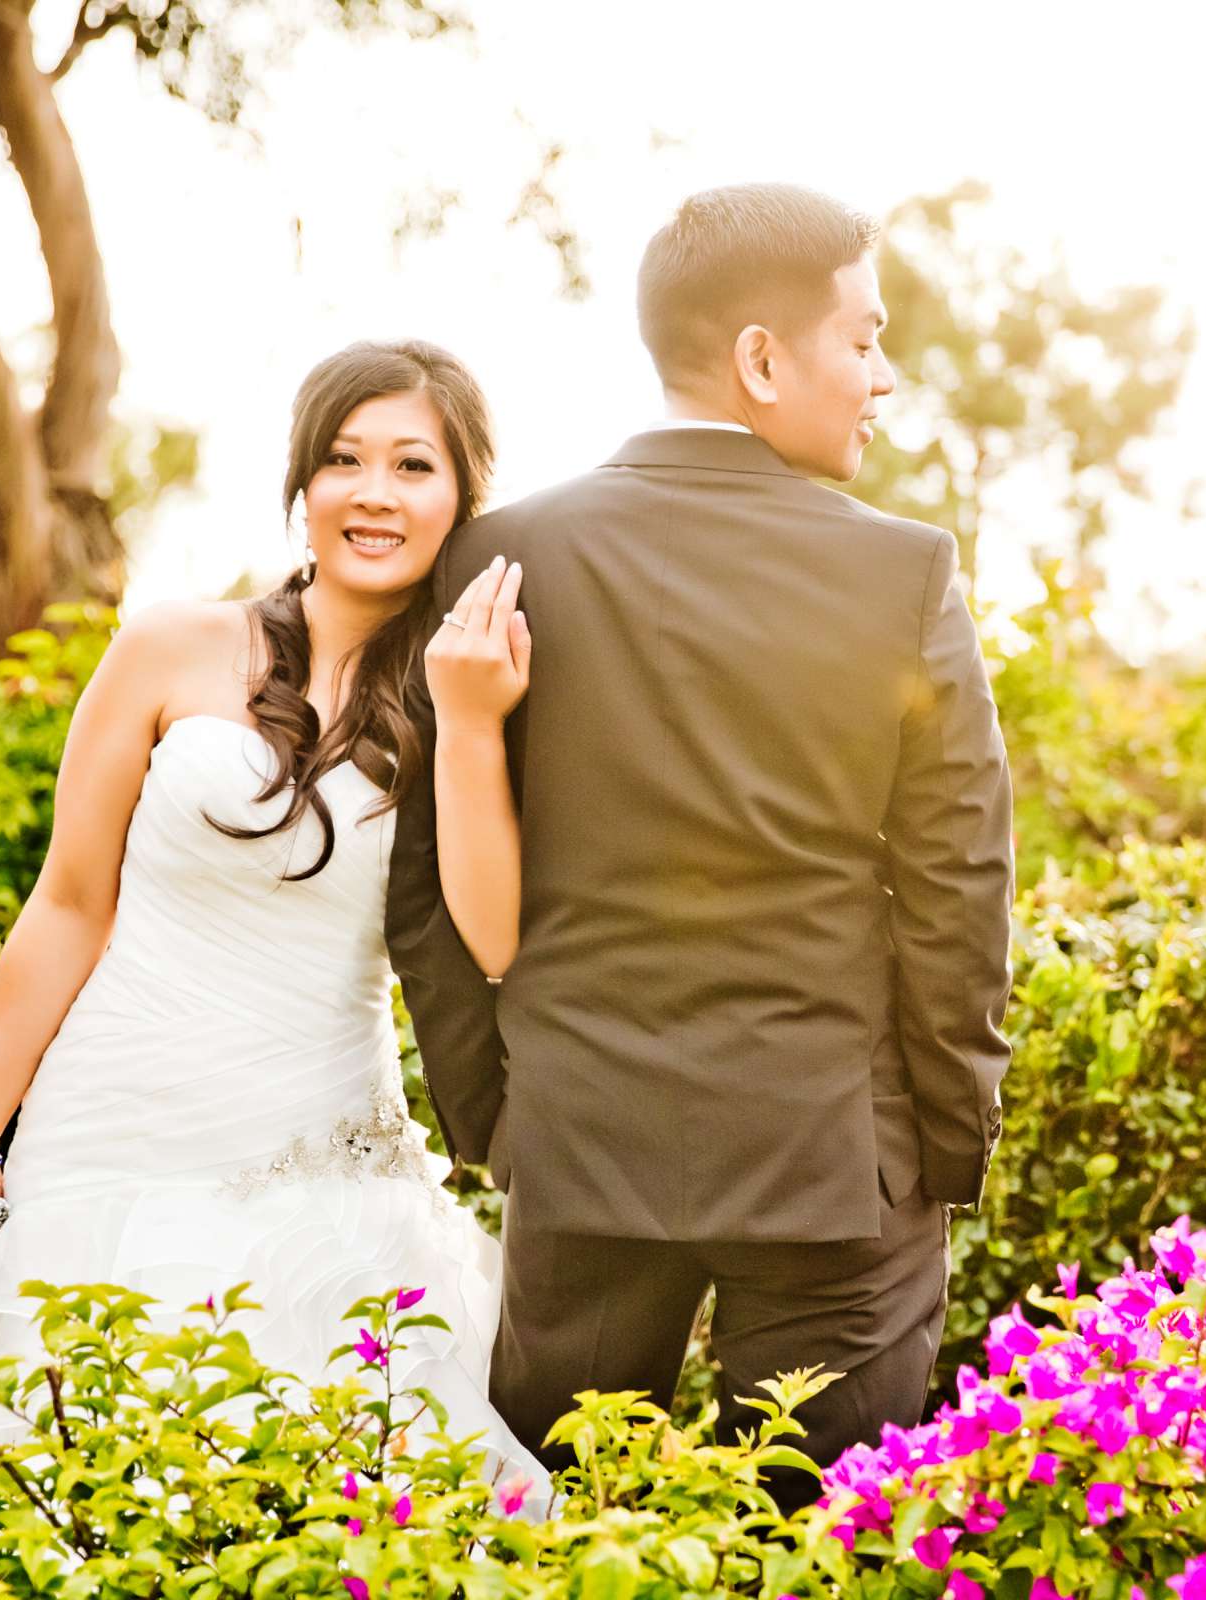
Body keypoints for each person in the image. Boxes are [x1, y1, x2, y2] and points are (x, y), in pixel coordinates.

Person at [387, 182, 1016, 1505]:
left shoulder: (504, 558)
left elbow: (427, 882)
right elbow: (959, 876)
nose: (884, 377)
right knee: (824, 1547)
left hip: (580, 1147)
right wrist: (940, 1154)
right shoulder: (904, 574)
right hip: (841, 1169)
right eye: (865, 339)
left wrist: (503, 1122)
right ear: (762, 359)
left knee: (561, 1540)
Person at [0, 341, 542, 1490]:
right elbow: (68, 902)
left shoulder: (471, 697)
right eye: (344, 459)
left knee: (350, 1496)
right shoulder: (165, 645)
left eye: (413, 464)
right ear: (303, 483)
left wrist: (478, 722)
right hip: (109, 1140)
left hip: (324, 1164)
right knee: (94, 1496)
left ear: (464, 498)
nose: (375, 493)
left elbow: (495, 941)